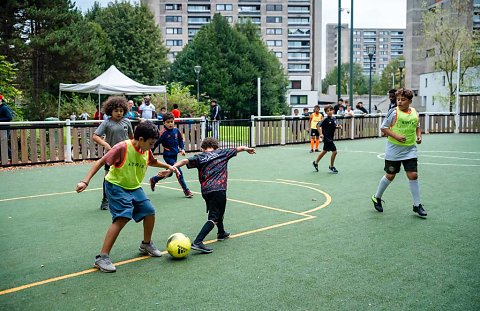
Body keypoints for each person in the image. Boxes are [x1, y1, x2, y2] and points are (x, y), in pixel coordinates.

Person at [76, 121, 179, 273]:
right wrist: (85, 181)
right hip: (116, 186)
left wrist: (168, 167)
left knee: (149, 211)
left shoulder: (146, 150)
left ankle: (146, 244)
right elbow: (100, 162)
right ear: (141, 139)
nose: (152, 147)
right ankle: (102, 257)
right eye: (150, 143)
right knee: (122, 216)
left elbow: (152, 161)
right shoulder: (122, 147)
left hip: (133, 186)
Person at [173, 137, 255, 253]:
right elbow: (239, 148)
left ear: (202, 148)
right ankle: (198, 242)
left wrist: (172, 168)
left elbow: (185, 161)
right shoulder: (222, 153)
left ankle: (221, 233)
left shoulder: (199, 157)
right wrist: (247, 149)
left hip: (206, 190)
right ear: (217, 147)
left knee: (217, 210)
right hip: (219, 188)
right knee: (214, 217)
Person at [371, 88, 427, 217]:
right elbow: (383, 128)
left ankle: (417, 205)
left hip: (410, 149)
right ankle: (376, 197)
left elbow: (417, 126)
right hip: (394, 149)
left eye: (403, 100)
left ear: (410, 101)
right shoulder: (393, 112)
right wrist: (396, 136)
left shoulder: (414, 112)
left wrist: (419, 136)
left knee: (413, 175)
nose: (400, 102)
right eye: (398, 99)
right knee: (390, 175)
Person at [92, 96, 134, 211]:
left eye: (121, 111)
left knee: (127, 176)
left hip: (126, 154)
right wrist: (105, 144)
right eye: (116, 111)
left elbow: (132, 138)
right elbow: (95, 136)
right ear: (110, 111)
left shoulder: (127, 122)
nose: (119, 113)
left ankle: (127, 199)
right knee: (108, 178)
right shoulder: (106, 123)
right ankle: (105, 200)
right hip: (111, 155)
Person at [150, 112, 193, 198]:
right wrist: (151, 154)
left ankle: (154, 179)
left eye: (171, 121)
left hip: (175, 155)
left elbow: (180, 140)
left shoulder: (176, 130)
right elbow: (154, 144)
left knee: (169, 173)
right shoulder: (162, 133)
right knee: (178, 171)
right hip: (168, 156)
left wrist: (182, 148)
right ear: (164, 123)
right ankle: (186, 190)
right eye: (168, 122)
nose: (170, 124)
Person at [312, 105, 342, 174]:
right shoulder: (325, 119)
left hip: (330, 138)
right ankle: (331, 166)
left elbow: (333, 127)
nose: (329, 112)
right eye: (327, 111)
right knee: (335, 152)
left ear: (333, 111)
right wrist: (320, 134)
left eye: (330, 110)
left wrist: (338, 127)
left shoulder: (334, 118)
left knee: (325, 151)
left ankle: (315, 162)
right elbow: (317, 125)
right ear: (325, 112)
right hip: (327, 138)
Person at [0, 95, 13, 161]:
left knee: (3, 142)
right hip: (1, 128)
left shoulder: (4, 108)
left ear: (1, 100)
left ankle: (12, 157)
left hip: (5, 128)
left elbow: (10, 117)